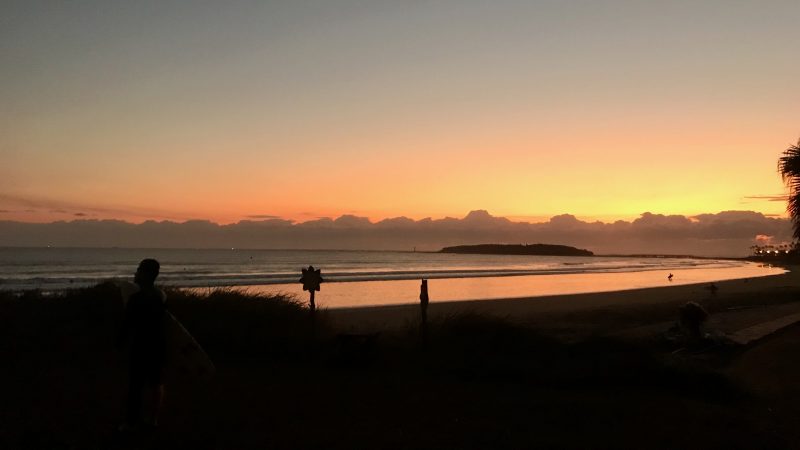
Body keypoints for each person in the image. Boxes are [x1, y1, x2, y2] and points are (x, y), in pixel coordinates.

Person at [118, 258, 167, 431]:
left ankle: (130, 423)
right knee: (156, 383)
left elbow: (127, 325)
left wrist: (118, 344)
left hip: (141, 346)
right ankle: (153, 420)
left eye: (138, 270)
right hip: (158, 345)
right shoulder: (161, 296)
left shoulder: (135, 298)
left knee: (135, 385)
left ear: (145, 274)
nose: (135, 273)